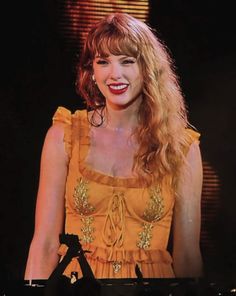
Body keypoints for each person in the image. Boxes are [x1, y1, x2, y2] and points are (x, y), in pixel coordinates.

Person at [24, 12, 203, 281]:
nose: (114, 74)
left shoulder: (181, 147)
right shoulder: (64, 135)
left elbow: (188, 255)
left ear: (147, 69)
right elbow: (45, 244)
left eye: (127, 61)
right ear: (92, 71)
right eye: (103, 61)